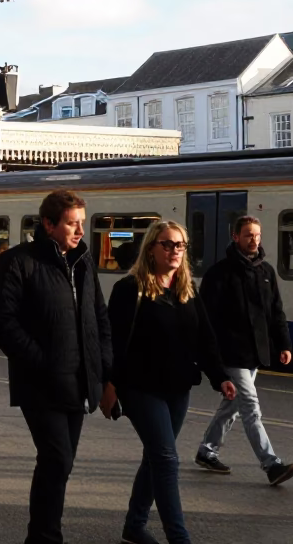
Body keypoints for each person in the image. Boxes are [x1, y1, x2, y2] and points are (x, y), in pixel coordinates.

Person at [0, 189, 114, 544]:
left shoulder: (85, 262)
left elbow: (98, 319)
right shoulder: (18, 261)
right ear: (48, 223)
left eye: (82, 224)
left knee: (60, 463)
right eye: (72, 224)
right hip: (40, 383)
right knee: (57, 458)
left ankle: (40, 534)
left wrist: (105, 374)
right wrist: (41, 361)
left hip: (79, 381)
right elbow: (1, 321)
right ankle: (46, 536)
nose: (80, 232)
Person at [107, 220, 237, 544]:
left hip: (178, 388)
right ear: (151, 248)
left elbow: (205, 338)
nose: (175, 250)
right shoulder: (129, 289)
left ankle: (134, 527)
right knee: (166, 459)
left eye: (180, 245)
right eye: (167, 244)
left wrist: (220, 377)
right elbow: (110, 342)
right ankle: (179, 537)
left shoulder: (187, 290)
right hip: (139, 387)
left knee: (155, 457)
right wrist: (106, 384)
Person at [195, 216, 293, 485]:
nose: (254, 240)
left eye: (258, 235)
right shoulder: (220, 273)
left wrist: (284, 344)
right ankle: (271, 464)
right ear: (235, 237)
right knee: (251, 407)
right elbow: (205, 318)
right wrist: (212, 358)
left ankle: (207, 451)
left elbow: (276, 311)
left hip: (255, 352)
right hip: (231, 352)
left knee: (232, 405)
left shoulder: (266, 272)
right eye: (249, 235)